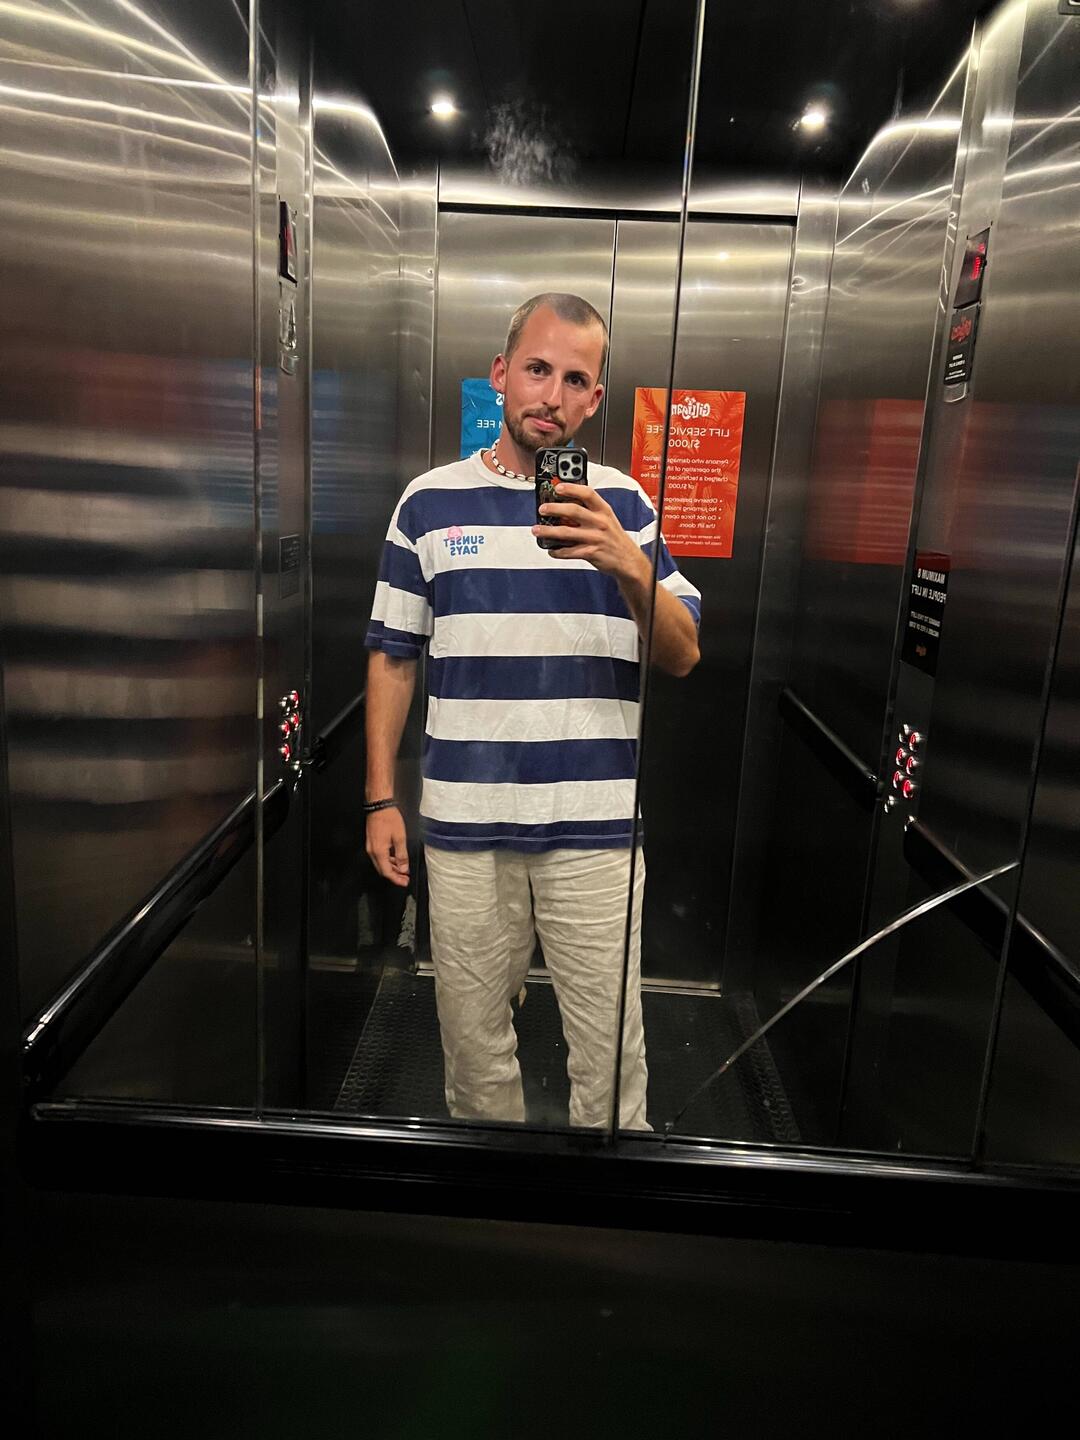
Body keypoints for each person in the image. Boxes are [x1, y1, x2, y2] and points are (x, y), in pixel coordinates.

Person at [364, 292, 701, 1130]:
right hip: (465, 829)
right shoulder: (427, 503)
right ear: (501, 374)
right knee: (473, 1050)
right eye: (537, 369)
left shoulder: (624, 506)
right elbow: (393, 657)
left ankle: (609, 1199)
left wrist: (627, 563)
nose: (550, 395)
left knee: (612, 1060)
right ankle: (493, 1202)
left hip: (595, 834)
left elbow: (683, 653)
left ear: (595, 399)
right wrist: (379, 799)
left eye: (574, 380)